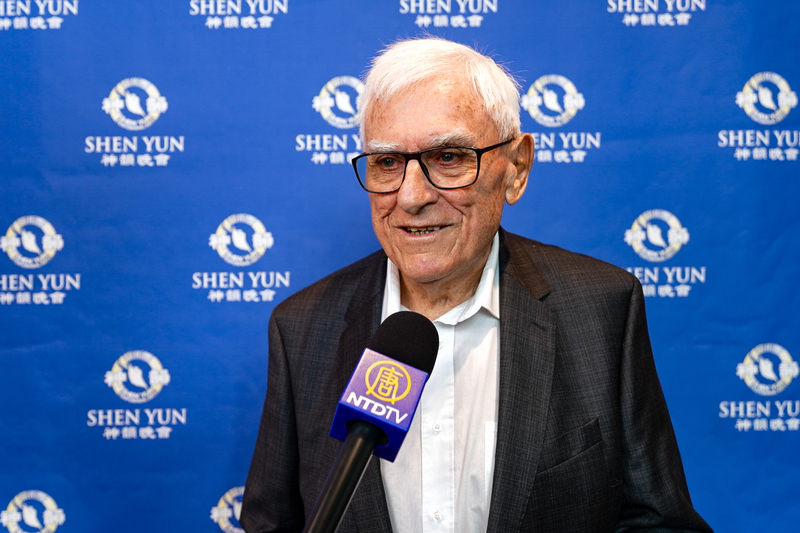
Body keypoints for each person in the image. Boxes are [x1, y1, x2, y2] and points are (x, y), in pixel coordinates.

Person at [241, 37, 712, 533]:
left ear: (516, 168)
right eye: (387, 162)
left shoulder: (601, 309)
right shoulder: (302, 328)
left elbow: (657, 523)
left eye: (448, 157)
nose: (411, 196)